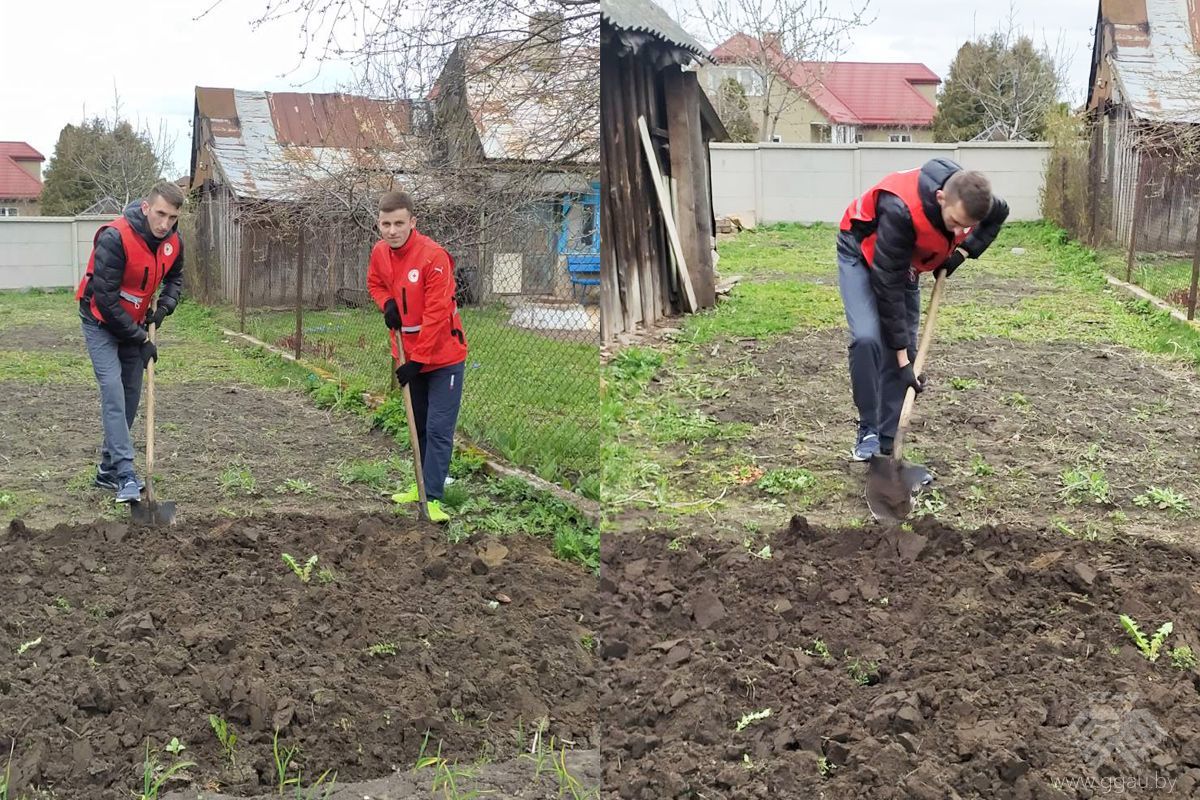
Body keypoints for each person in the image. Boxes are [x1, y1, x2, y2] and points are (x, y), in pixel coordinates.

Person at [838, 157, 1009, 462]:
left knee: (904, 354)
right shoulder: (900, 208)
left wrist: (964, 251)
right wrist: (903, 360)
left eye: (966, 227)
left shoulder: (974, 196)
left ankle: (888, 443)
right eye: (955, 223)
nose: (959, 230)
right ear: (941, 197)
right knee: (868, 338)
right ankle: (869, 429)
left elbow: (1000, 214)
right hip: (862, 249)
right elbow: (888, 286)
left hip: (905, 260)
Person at [76, 181, 186, 503]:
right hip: (100, 321)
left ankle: (107, 470)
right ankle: (125, 475)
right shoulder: (116, 237)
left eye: (173, 217)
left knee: (130, 397)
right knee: (112, 391)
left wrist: (165, 306)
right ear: (146, 208)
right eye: (161, 214)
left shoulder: (173, 242)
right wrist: (141, 340)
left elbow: (175, 278)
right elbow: (107, 303)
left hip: (133, 323)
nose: (165, 224)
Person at [366, 190, 468, 523]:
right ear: (379, 224)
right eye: (386, 224)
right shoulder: (380, 253)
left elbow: (438, 314)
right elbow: (375, 283)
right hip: (409, 356)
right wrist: (387, 304)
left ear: (413, 222)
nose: (392, 230)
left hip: (442, 358)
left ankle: (434, 499)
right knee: (420, 425)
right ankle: (421, 486)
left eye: (399, 223)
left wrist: (419, 361)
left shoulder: (433, 257)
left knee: (439, 428)